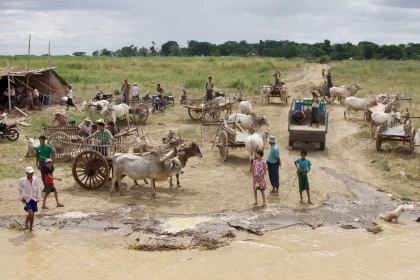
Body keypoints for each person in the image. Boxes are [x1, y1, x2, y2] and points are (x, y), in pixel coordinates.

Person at [17, 166, 41, 231]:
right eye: (30, 173)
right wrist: (20, 197)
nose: (31, 174)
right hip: (26, 200)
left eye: (32, 173)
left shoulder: (35, 179)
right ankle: (26, 222)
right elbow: (19, 189)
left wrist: (38, 197)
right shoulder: (22, 180)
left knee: (32, 215)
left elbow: (38, 188)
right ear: (26, 173)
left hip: (34, 199)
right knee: (30, 213)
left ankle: (31, 228)